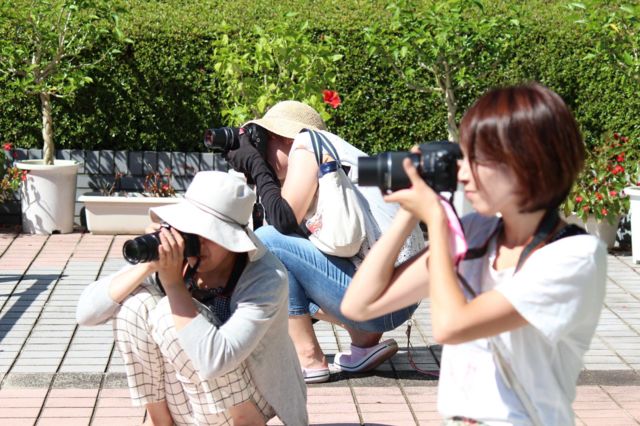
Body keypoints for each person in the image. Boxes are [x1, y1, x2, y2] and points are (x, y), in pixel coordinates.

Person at [341, 83, 607, 425]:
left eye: (477, 159)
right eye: (462, 157)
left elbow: (452, 326)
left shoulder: (574, 256)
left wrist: (436, 220)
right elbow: (359, 306)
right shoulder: (476, 233)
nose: (463, 174)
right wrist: (409, 212)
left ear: (529, 163)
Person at [76, 171, 307, 426]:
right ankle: (160, 422)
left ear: (232, 239)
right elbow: (86, 314)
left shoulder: (266, 276)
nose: (197, 242)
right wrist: (149, 265)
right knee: (134, 306)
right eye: (190, 229)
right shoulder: (179, 258)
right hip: (192, 397)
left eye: (209, 234)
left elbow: (216, 359)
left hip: (253, 397)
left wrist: (174, 286)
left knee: (168, 313)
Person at [226, 100, 425, 383]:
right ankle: (363, 342)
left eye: (262, 143)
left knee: (269, 240)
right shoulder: (341, 159)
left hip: (378, 303)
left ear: (283, 138)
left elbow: (282, 221)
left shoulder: (306, 145)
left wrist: (257, 167)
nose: (260, 153)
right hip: (400, 300)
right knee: (291, 248)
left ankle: (309, 358)